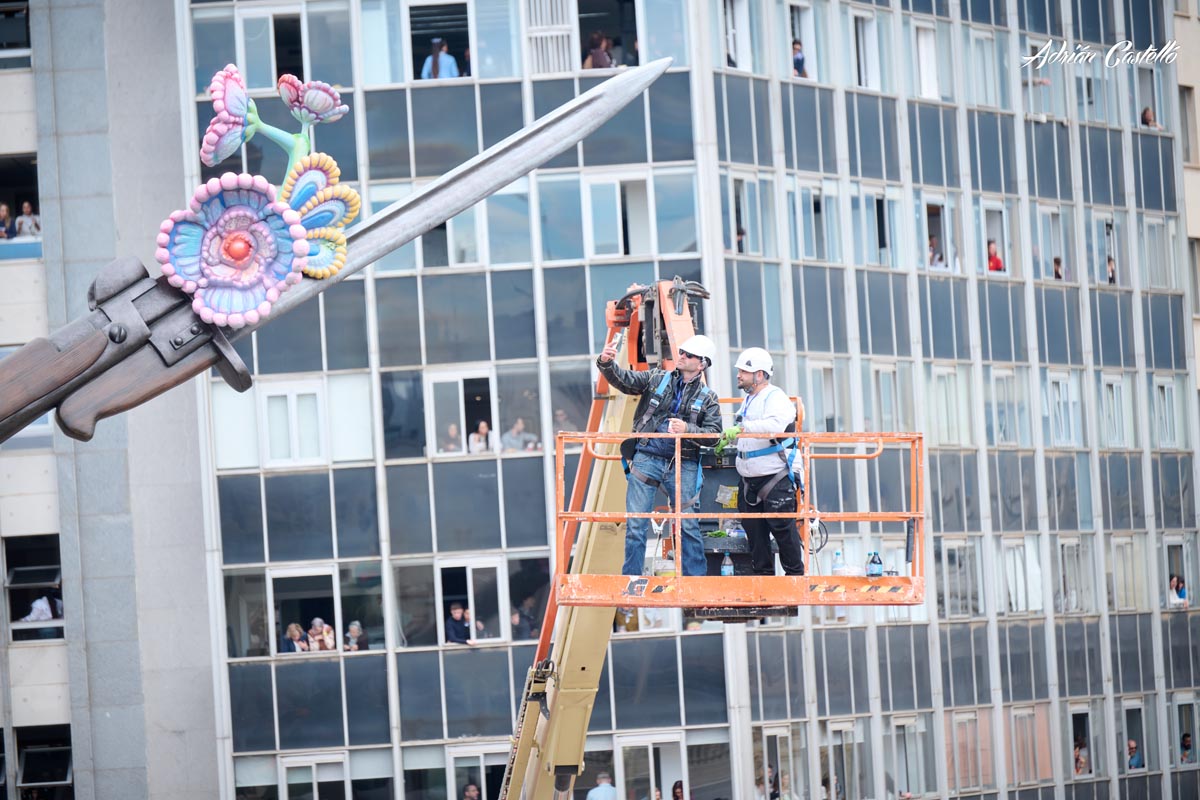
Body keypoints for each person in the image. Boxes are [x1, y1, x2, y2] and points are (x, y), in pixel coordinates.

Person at [596, 329, 722, 578]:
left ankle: (695, 582)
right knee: (636, 524)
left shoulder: (708, 398)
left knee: (688, 524)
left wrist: (687, 429)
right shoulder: (656, 378)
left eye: (689, 354)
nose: (681, 356)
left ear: (702, 364)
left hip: (683, 462)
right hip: (648, 457)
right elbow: (625, 381)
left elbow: (714, 435)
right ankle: (632, 579)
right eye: (682, 351)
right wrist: (606, 363)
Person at [719, 348, 805, 576]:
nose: (738, 375)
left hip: (775, 477)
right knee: (755, 535)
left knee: (783, 532)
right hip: (750, 479)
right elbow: (745, 429)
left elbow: (775, 425)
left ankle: (795, 579)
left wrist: (742, 429)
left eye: (743, 371)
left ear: (759, 374)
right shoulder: (749, 400)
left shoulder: (775, 397)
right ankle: (763, 580)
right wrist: (730, 438)